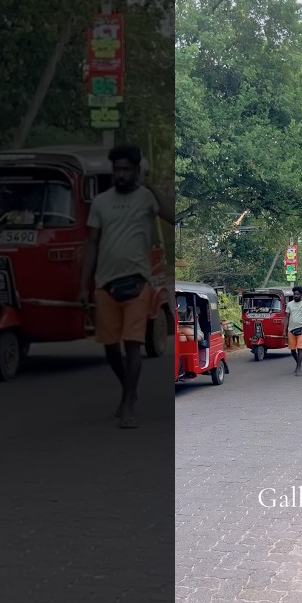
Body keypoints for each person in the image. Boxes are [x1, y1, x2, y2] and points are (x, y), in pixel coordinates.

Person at [78, 143, 172, 429]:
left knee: (133, 344)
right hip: (105, 284)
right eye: (116, 169)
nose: (120, 174)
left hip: (137, 284)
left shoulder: (146, 199)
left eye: (126, 169)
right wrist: (84, 285)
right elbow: (91, 244)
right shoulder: (101, 202)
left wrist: (153, 186)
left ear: (135, 171)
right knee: (109, 348)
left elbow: (171, 215)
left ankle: (128, 402)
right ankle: (128, 389)